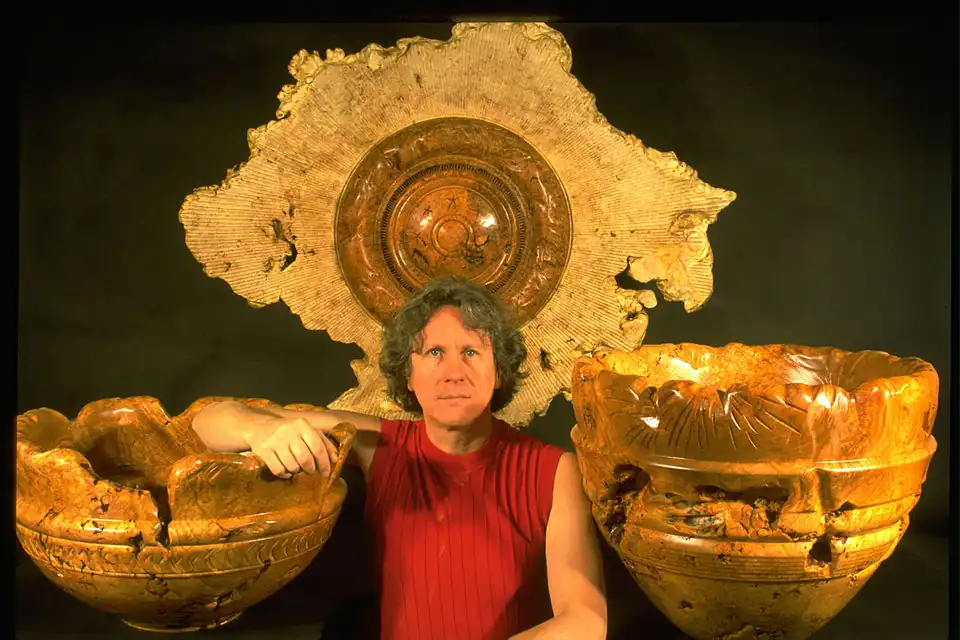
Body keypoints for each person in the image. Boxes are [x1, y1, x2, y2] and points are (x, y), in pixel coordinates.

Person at [192, 275, 607, 639]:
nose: (454, 372)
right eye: (434, 353)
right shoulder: (380, 446)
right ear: (408, 375)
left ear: (498, 371)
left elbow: (586, 620)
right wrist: (258, 429)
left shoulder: (554, 470)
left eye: (471, 352)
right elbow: (204, 420)